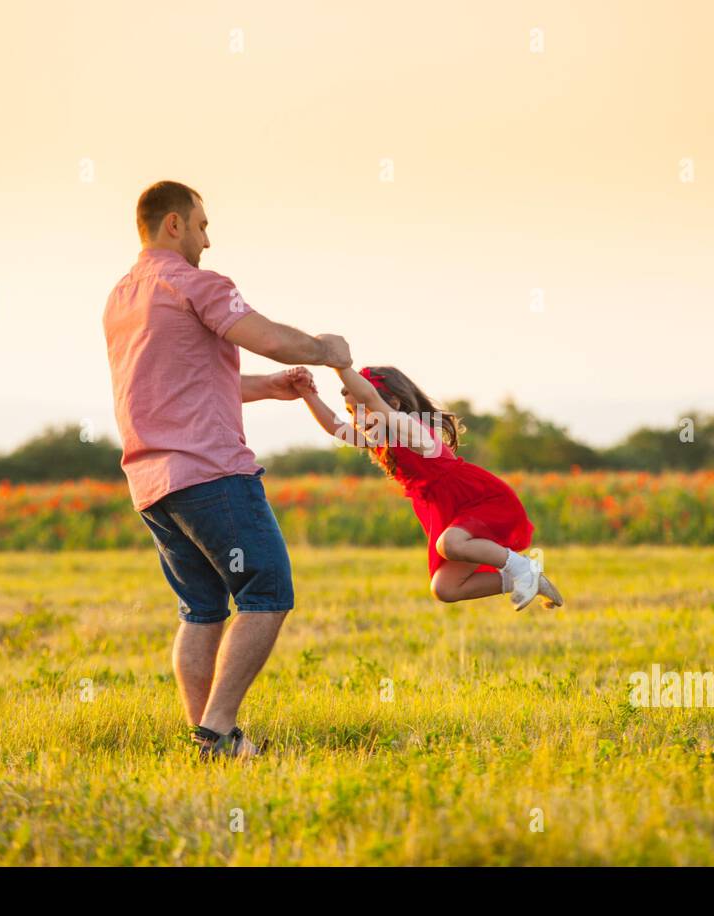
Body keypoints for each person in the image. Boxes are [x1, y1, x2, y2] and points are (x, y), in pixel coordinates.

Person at [102, 180, 352, 759]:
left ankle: (210, 740)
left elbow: (181, 384)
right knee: (268, 591)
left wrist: (270, 388)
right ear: (173, 224)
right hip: (211, 474)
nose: (208, 240)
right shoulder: (196, 283)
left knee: (203, 608)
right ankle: (218, 729)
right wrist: (325, 349)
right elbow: (266, 336)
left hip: (152, 483)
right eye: (202, 225)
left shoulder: (121, 297)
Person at [297, 364, 564, 610]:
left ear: (392, 405)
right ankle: (526, 580)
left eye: (363, 409)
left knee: (450, 543)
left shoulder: (413, 430)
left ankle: (524, 569)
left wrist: (339, 365)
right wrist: (307, 394)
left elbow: (374, 401)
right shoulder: (379, 438)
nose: (358, 420)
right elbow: (336, 428)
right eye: (352, 413)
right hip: (445, 508)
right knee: (445, 588)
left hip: (477, 498)